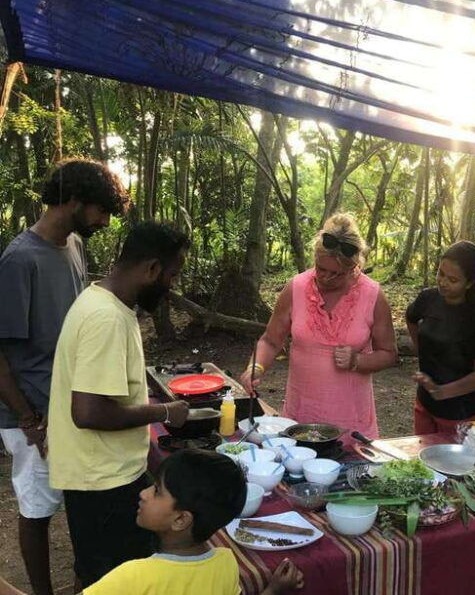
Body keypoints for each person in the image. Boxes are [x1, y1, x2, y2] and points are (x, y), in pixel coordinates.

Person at [0, 159, 127, 595]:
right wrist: (28, 417)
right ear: (73, 200)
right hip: (30, 408)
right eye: (101, 210)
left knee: (76, 496)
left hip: (66, 402)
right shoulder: (19, 260)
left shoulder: (73, 244)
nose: (105, 221)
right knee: (37, 506)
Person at [47, 222, 192, 588]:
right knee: (112, 578)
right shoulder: (105, 317)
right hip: (102, 481)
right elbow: (89, 412)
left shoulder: (104, 300)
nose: (172, 285)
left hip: (101, 472)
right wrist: (163, 411)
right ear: (152, 270)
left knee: (100, 572)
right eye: (172, 275)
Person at [0, 450, 304, 595]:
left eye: (157, 491)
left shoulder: (135, 577)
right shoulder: (224, 564)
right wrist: (273, 591)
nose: (144, 494)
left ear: (181, 519)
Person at [240, 213, 397, 445]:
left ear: (355, 266)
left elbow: (389, 353)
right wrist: (257, 366)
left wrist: (357, 361)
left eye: (337, 273)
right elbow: (271, 341)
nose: (325, 277)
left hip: (351, 423)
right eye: (321, 268)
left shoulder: (372, 294)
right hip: (300, 418)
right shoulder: (296, 287)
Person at [406, 241, 475, 435]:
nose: (443, 282)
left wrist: (442, 391)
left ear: (470, 283)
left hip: (462, 412)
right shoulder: (428, 299)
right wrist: (419, 348)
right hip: (425, 402)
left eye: (453, 280)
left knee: (457, 465)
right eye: (440, 273)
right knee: (421, 459)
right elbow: (411, 317)